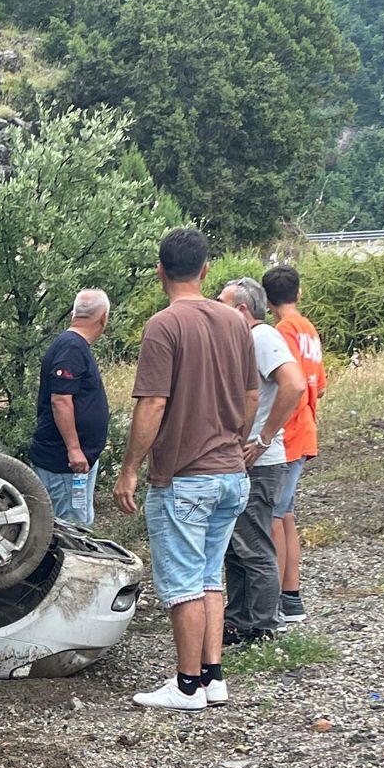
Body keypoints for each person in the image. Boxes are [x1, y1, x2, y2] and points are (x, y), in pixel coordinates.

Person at [113, 229, 257, 712]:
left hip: (185, 477)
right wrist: (237, 438)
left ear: (160, 270)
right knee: (211, 576)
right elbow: (251, 394)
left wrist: (130, 468)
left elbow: (153, 402)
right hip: (231, 473)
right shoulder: (235, 322)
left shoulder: (164, 325)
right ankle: (213, 678)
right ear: (205, 270)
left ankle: (187, 685)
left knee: (183, 584)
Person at [217, 277, 304, 646]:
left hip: (261, 462)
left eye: (221, 303)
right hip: (240, 460)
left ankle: (265, 625)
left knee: (254, 544)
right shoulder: (242, 341)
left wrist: (264, 438)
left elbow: (294, 384)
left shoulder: (262, 337)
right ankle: (238, 620)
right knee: (235, 545)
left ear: (241, 310)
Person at [262, 265, 326, 623]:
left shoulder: (281, 332)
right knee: (285, 514)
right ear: (298, 293)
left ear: (267, 301)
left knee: (272, 516)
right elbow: (320, 385)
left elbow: (288, 384)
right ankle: (291, 596)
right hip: (306, 429)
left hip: (286, 433)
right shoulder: (308, 329)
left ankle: (271, 601)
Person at [28, 289, 111, 525]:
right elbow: (60, 400)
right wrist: (74, 449)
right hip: (64, 462)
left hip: (78, 462)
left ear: (73, 314)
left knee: (81, 523)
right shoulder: (71, 348)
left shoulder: (75, 346)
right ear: (103, 318)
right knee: (70, 529)